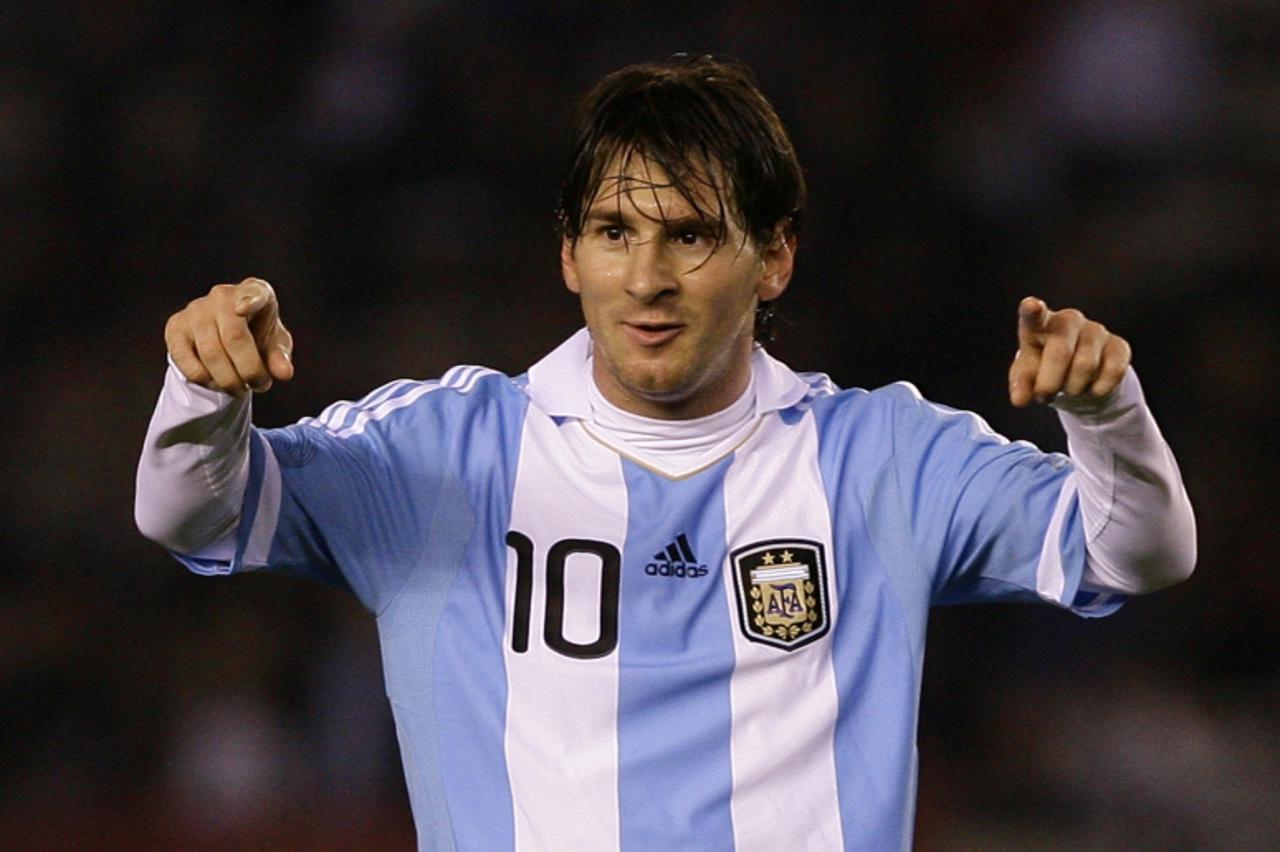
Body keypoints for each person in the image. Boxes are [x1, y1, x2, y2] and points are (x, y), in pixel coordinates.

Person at [136, 55, 1196, 851]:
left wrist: (1105, 414)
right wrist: (200, 391)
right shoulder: (438, 453)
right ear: (567, 253)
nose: (645, 277)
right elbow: (188, 514)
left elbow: (1137, 552)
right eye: (611, 232)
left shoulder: (882, 459)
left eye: (688, 233)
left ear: (772, 258)